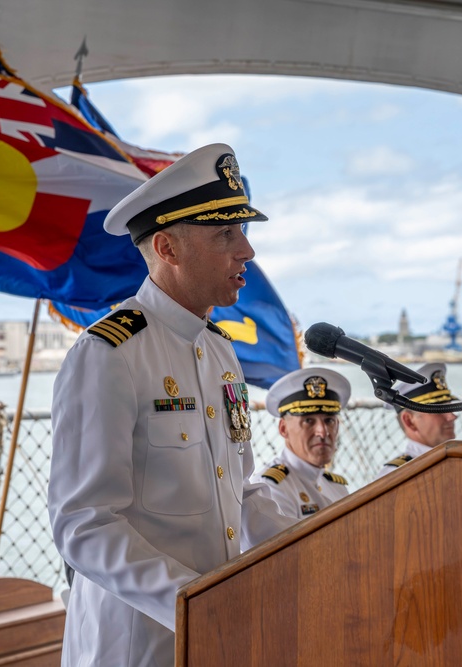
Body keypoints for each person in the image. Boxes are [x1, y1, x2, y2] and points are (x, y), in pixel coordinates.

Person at [48, 143, 297, 667]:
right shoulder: (110, 353)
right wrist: (190, 601)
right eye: (226, 234)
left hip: (217, 629)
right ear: (167, 247)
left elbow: (242, 489)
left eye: (242, 231)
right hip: (137, 644)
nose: (246, 251)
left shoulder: (220, 350)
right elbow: (84, 523)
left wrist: (317, 547)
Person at [251, 368, 353, 518]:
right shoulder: (270, 488)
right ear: (283, 428)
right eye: (308, 421)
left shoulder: (337, 487)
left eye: (329, 420)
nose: (323, 432)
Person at [375, 362, 458, 479]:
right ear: (409, 421)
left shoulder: (458, 461)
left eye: (450, 408)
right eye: (439, 410)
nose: (452, 416)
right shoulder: (396, 476)